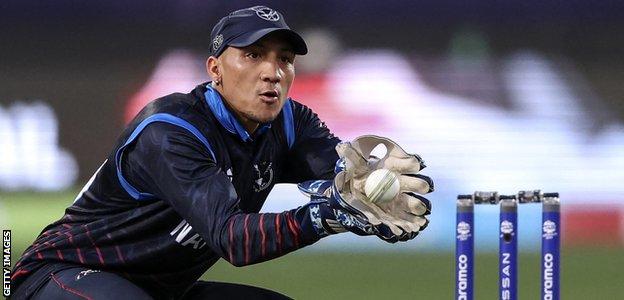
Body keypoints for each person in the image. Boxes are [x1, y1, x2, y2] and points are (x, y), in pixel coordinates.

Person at [11, 6, 433, 300]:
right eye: (252, 55)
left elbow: (343, 180)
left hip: (160, 290)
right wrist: (323, 217)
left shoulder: (290, 122)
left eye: (284, 59)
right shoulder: (171, 130)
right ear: (215, 70)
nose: (272, 71)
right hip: (59, 277)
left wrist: (364, 194)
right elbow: (234, 240)